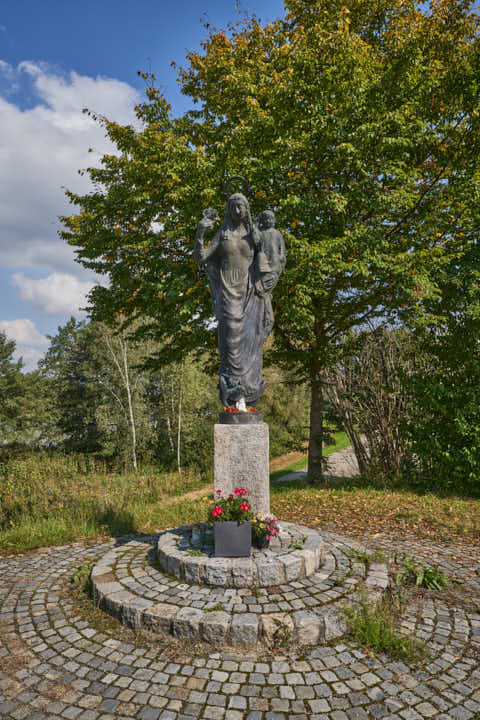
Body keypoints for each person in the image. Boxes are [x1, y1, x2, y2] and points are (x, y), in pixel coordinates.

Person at [194, 193, 285, 409]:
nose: (237, 211)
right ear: (228, 209)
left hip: (250, 293)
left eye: (240, 207)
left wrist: (266, 284)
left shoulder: (255, 235)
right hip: (227, 292)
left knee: (251, 341)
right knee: (230, 340)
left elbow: (271, 260)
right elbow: (201, 257)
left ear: (246, 209)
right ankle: (233, 391)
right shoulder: (223, 234)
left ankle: (248, 391)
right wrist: (200, 232)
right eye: (233, 207)